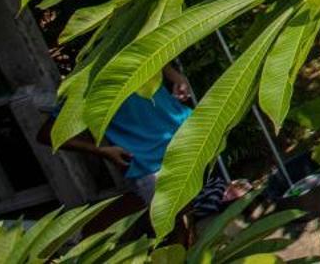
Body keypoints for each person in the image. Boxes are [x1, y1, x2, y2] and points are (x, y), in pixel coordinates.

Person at [38, 65, 231, 236]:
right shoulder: (86, 89)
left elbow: (159, 54)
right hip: (151, 164)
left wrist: (176, 77)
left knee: (187, 218)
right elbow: (47, 134)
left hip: (189, 135)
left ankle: (84, 237)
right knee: (179, 232)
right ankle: (83, 239)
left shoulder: (136, 57)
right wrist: (103, 151)